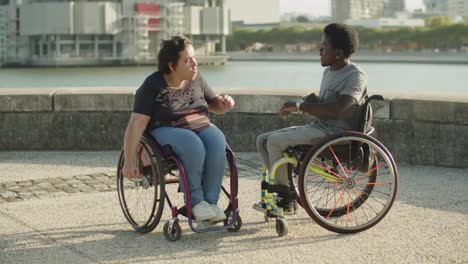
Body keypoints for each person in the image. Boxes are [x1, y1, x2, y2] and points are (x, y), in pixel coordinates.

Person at [254, 23, 368, 213]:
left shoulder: (355, 76)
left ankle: (286, 198)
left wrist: (300, 106)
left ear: (338, 53)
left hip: (336, 134)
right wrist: (300, 103)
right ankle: (285, 189)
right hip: (320, 128)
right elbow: (324, 103)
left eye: (324, 45)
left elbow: (339, 110)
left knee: (274, 141)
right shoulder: (328, 72)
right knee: (262, 140)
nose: (319, 49)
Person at [122, 35, 235, 222]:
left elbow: (214, 104)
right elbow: (136, 123)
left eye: (194, 58)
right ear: (171, 66)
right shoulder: (152, 85)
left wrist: (225, 103)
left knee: (217, 140)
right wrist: (129, 161)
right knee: (192, 143)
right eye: (187, 60)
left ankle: (211, 203)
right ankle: (196, 202)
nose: (194, 64)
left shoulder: (196, 78)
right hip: (165, 129)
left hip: (198, 124)